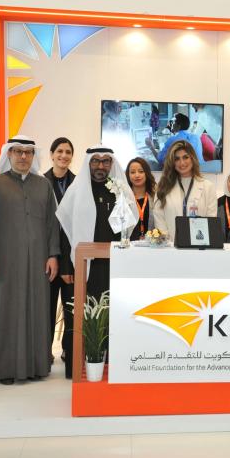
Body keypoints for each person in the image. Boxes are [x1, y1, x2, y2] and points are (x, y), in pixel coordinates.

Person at [0, 136, 60, 385]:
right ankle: (5, 369)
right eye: (18, 152)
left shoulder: (43, 185)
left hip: (38, 260)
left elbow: (52, 223)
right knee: (4, 311)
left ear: (33, 156)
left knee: (37, 310)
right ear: (9, 154)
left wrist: (53, 255)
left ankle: (36, 366)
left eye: (28, 152)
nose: (23, 156)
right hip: (4, 261)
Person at [56, 146, 137, 303]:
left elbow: (130, 229)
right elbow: (66, 230)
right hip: (83, 262)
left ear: (111, 163)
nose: (100, 166)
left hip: (113, 262)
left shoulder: (121, 191)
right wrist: (65, 266)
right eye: (95, 161)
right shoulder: (76, 191)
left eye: (105, 161)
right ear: (88, 163)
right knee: (85, 309)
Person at [43, 137, 76, 375]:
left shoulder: (79, 183)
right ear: (52, 154)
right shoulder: (40, 182)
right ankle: (43, 352)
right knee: (45, 308)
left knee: (71, 308)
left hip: (71, 258)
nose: (64, 156)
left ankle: (68, 351)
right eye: (60, 151)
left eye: (68, 152)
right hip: (46, 257)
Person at [153, 140, 217, 241]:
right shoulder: (163, 187)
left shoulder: (208, 187)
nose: (182, 163)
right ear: (172, 162)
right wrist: (167, 243)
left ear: (192, 158)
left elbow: (211, 221)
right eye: (177, 159)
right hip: (170, 247)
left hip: (199, 246)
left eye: (185, 157)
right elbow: (159, 219)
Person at [126, 157, 156, 241]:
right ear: (128, 175)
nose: (137, 175)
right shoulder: (124, 197)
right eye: (132, 172)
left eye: (141, 171)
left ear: (147, 173)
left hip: (152, 244)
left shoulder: (155, 196)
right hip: (129, 245)